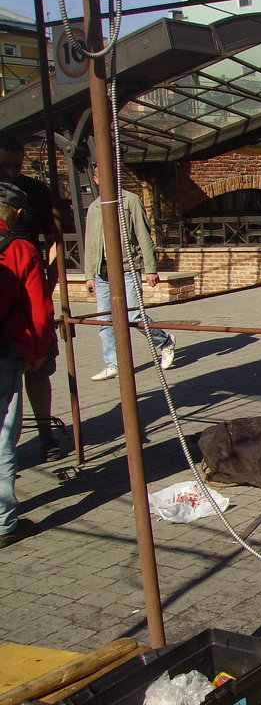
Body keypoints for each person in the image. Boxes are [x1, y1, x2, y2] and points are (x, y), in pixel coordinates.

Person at [0, 133, 64, 462]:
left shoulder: (34, 192)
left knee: (38, 367)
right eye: (4, 166)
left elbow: (55, 239)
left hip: (30, 287)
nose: (11, 171)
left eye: (16, 165)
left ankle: (45, 433)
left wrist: (49, 282)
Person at [84, 162, 175, 381]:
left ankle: (164, 341)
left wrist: (150, 268)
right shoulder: (94, 207)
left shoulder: (130, 201)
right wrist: (89, 275)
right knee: (104, 319)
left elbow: (144, 236)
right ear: (96, 180)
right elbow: (89, 243)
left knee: (134, 314)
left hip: (127, 268)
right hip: (102, 272)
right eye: (100, 177)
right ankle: (113, 363)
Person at [0, 183, 54, 549]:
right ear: (16, 213)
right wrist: (36, 349)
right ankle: (3, 522)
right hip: (5, 348)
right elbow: (39, 308)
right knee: (3, 433)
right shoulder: (20, 249)